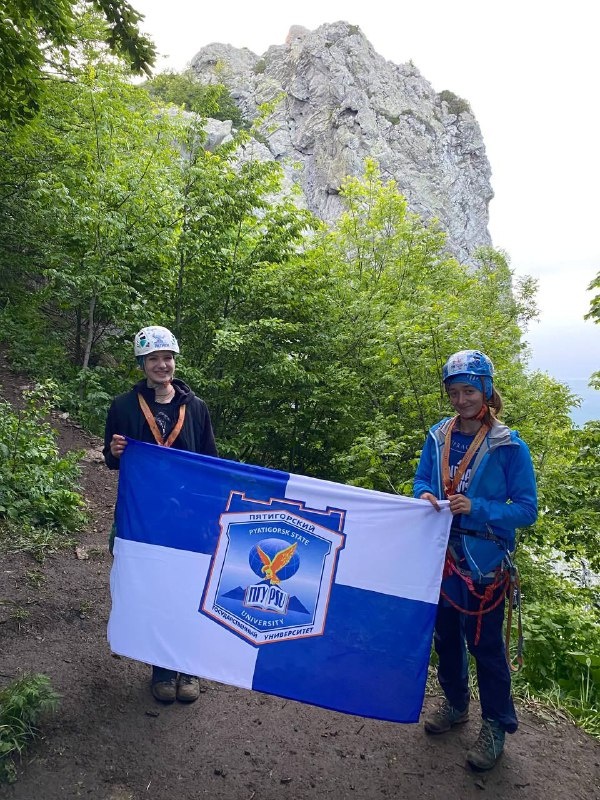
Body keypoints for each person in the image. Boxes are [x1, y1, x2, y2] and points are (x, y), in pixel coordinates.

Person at [413, 349, 537, 771]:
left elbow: (526, 510)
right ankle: (455, 703)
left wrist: (478, 506)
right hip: (441, 555)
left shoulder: (508, 446)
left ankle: (496, 725)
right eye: (454, 391)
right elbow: (423, 480)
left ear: (486, 390)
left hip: (483, 563)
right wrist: (424, 496)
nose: (461, 399)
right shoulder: (438, 436)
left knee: (484, 646)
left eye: (469, 390)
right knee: (445, 637)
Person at [103, 325, 218, 704]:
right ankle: (161, 668)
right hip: (145, 515)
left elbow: (210, 463)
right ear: (142, 363)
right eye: (153, 358)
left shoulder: (196, 408)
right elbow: (111, 460)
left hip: (187, 516)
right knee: (153, 588)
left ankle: (189, 667)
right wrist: (116, 451)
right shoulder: (122, 406)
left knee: (187, 587)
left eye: (167, 357)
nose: (161, 364)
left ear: (175, 361)